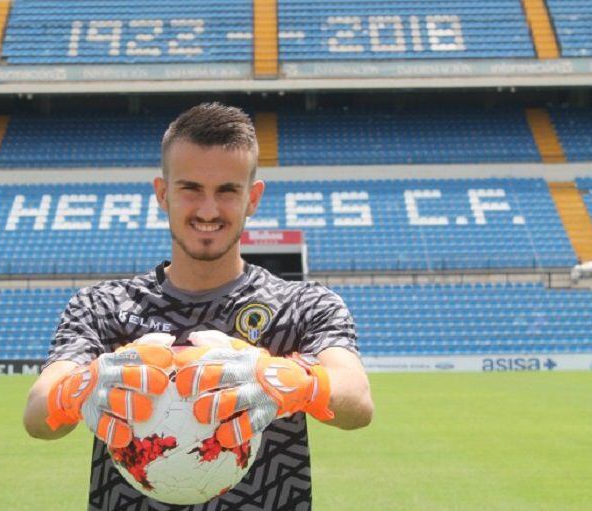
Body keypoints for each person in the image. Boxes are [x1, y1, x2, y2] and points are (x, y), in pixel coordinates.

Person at [23, 102, 374, 510]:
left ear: (253, 198)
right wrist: (75, 391)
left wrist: (298, 383)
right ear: (163, 193)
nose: (208, 210)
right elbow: (37, 414)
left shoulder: (304, 306)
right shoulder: (102, 306)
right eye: (190, 188)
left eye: (227, 190)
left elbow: (357, 400)